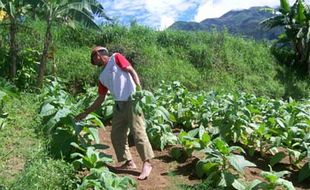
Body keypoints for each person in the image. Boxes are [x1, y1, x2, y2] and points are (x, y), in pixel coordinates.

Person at [75, 46, 154, 180]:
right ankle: (129, 162)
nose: (94, 62)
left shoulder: (116, 58)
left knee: (138, 132)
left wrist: (139, 89)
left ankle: (147, 163)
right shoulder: (102, 77)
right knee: (117, 134)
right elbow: (100, 98)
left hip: (131, 100)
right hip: (118, 105)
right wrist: (86, 112)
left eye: (94, 58)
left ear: (98, 55)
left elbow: (131, 70)